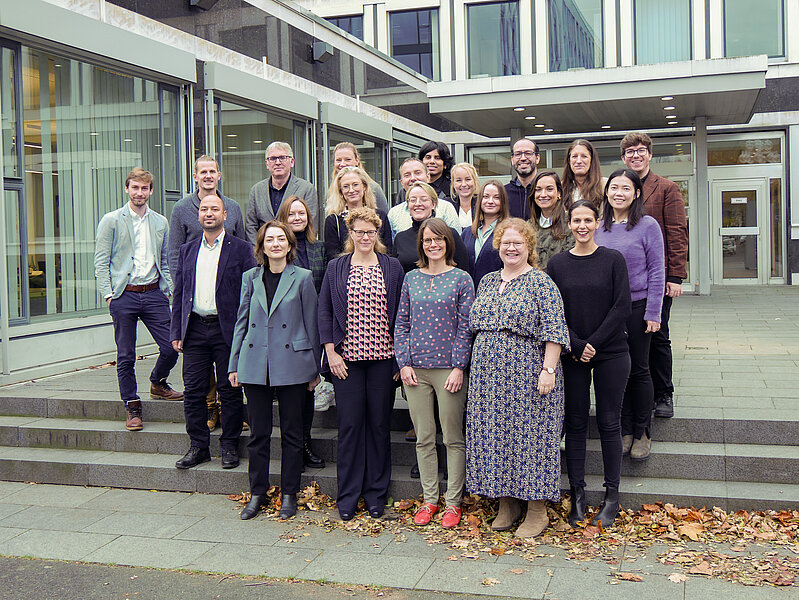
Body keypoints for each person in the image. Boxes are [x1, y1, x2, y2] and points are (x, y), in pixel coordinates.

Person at [466, 218, 569, 539]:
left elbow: (555, 329)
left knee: (532, 439)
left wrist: (548, 370)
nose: (511, 248)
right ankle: (507, 503)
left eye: (518, 243)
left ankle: (537, 510)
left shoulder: (541, 283)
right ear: (498, 246)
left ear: (529, 247)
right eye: (506, 243)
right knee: (496, 437)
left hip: (528, 375)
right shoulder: (487, 281)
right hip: (488, 379)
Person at [228, 220, 321, 520]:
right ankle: (258, 493)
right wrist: (234, 364)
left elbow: (312, 324)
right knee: (259, 434)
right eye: (270, 239)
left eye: (281, 239)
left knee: (293, 433)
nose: (276, 244)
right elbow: (242, 321)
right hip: (256, 362)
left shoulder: (302, 277)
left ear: (289, 245)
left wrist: (315, 369)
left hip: (293, 363)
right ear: (262, 246)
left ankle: (289, 494)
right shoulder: (250, 277)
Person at [547, 200, 631, 528]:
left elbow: (621, 306)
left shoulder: (613, 260)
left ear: (597, 223)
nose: (582, 226)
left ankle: (612, 496)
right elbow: (554, 313)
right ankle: (578, 494)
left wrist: (593, 344)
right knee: (577, 422)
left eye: (588, 220)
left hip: (611, 351)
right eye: (576, 220)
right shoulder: (558, 264)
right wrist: (579, 345)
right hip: (573, 353)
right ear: (569, 224)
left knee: (609, 422)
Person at [317, 207, 404, 521]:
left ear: (377, 233)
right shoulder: (336, 267)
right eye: (359, 232)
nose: (365, 237)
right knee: (351, 427)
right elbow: (325, 310)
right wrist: (331, 352)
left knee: (378, 426)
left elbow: (402, 313)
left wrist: (400, 359)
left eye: (370, 232)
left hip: (383, 359)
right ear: (350, 234)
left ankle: (376, 495)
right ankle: (348, 496)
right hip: (347, 361)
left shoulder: (392, 267)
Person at [395, 218, 474, 529]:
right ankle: (430, 499)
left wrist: (458, 367)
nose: (433, 245)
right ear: (421, 245)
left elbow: (466, 327)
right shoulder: (411, 279)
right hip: (416, 371)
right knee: (424, 438)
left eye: (438, 239)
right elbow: (401, 324)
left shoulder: (461, 279)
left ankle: (453, 502)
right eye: (427, 240)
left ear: (447, 243)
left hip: (448, 371)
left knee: (453, 438)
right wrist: (404, 363)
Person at [170, 195, 256, 470]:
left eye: (215, 209)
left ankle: (229, 445)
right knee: (193, 390)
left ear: (225, 215)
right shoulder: (188, 250)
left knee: (230, 390)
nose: (209, 213)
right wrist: (176, 330)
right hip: (195, 328)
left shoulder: (242, 249)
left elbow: (251, 294)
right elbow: (180, 292)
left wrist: (247, 334)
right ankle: (198, 446)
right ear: (198, 216)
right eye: (204, 209)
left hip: (227, 329)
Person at [94, 168, 183, 432]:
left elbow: (164, 260)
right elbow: (101, 262)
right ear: (127, 189)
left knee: (171, 346)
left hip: (154, 293)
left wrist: (170, 291)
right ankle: (132, 406)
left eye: (144, 188)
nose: (139, 193)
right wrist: (109, 296)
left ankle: (158, 382)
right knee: (126, 355)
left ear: (151, 191)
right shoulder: (111, 220)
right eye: (135, 187)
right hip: (124, 295)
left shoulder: (160, 222)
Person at [168, 155, 247, 433]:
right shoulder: (181, 210)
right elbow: (174, 255)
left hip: (226, 313)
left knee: (231, 383)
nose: (208, 175)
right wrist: (178, 324)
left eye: (212, 171)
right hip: (195, 313)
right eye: (203, 171)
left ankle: (230, 439)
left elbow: (244, 257)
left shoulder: (234, 207)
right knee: (195, 387)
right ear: (195, 176)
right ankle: (201, 434)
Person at [595, 169, 665, 462]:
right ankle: (624, 429)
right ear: (606, 192)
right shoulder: (599, 227)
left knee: (639, 369)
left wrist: (653, 312)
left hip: (638, 307)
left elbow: (657, 270)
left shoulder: (647, 226)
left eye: (626, 188)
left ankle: (642, 430)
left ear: (636, 193)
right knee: (616, 370)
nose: (619, 193)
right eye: (614, 187)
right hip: (609, 311)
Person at [621, 132, 688, 419]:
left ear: (650, 154)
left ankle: (663, 393)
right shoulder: (619, 187)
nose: (635, 155)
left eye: (640, 150)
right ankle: (639, 395)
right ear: (624, 157)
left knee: (658, 335)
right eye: (630, 151)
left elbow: (677, 231)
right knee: (632, 339)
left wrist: (676, 276)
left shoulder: (667, 188)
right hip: (627, 282)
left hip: (657, 279)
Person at [276, 196, 327, 469]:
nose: (297, 218)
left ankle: (304, 443)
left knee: (308, 387)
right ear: (284, 218)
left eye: (302, 213)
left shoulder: (319, 248)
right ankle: (292, 446)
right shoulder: (278, 249)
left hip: (312, 328)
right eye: (292, 214)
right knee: (290, 391)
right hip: (285, 328)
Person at [246, 141, 318, 244]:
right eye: (272, 158)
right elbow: (250, 226)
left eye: (283, 158)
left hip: (297, 249)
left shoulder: (306, 189)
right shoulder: (256, 190)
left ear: (292, 162)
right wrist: (258, 250)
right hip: (263, 250)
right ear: (267, 164)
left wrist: (292, 249)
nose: (277, 162)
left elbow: (311, 225)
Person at [392, 182, 470, 274]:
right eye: (413, 200)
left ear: (433, 204)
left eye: (424, 199)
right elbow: (395, 274)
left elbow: (464, 271)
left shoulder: (449, 234)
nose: (418, 203)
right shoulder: (400, 238)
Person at [324, 166, 391, 259]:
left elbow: (388, 251)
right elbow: (332, 256)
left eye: (355, 184)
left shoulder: (380, 216)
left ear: (364, 187)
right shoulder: (333, 221)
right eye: (346, 186)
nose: (351, 190)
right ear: (341, 191)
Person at [388, 159, 461, 237]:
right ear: (402, 182)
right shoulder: (394, 214)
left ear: (428, 176)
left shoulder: (446, 208)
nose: (413, 178)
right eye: (407, 175)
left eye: (417, 173)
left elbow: (455, 240)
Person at [461, 179, 508, 286]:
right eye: (486, 196)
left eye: (496, 197)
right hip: (468, 291)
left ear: (503, 201)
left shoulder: (508, 233)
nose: (490, 201)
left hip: (497, 291)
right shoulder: (467, 233)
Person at [529, 170, 575, 269]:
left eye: (549, 189)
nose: (543, 194)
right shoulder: (528, 226)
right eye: (538, 189)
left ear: (559, 193)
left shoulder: (571, 223)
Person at [329, 142, 389, 213]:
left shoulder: (374, 189)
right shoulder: (332, 191)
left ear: (357, 160)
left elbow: (383, 216)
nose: (342, 164)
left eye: (348, 159)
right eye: (338, 160)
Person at [562, 139, 605, 210]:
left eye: (584, 156)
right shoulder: (561, 188)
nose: (579, 161)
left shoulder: (605, 185)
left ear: (592, 160)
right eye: (574, 156)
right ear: (569, 160)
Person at [505, 137, 541, 220]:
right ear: (512, 159)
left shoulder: (547, 192)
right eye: (518, 154)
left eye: (528, 153)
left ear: (537, 158)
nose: (523, 158)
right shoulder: (503, 193)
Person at [449, 162, 479, 229]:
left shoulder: (483, 203)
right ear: (453, 183)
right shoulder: (447, 205)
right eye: (458, 180)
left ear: (475, 181)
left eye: (468, 179)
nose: (463, 184)